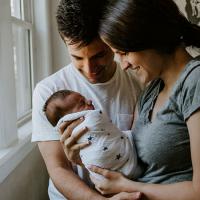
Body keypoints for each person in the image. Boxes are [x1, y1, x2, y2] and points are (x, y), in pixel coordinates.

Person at [71, 0, 200, 199]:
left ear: (151, 38)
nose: (123, 66)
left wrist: (127, 187)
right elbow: (132, 161)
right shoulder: (151, 91)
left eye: (123, 53)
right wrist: (86, 158)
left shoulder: (195, 81)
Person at [31, 0, 142, 199]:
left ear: (111, 41)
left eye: (99, 55)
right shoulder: (48, 92)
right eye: (77, 58)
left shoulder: (138, 83)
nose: (90, 70)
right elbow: (58, 169)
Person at [43, 90, 141, 181]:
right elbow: (57, 169)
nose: (89, 101)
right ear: (70, 117)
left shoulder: (133, 86)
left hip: (102, 178)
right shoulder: (90, 118)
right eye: (82, 103)